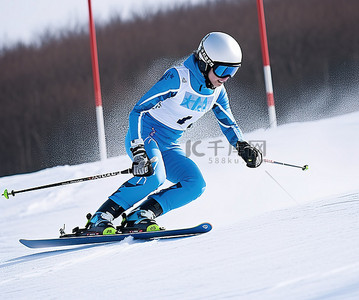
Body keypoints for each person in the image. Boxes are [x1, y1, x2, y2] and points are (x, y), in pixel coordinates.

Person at [83, 32, 262, 235]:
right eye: (222, 70)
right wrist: (139, 149)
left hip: (169, 145)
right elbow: (137, 111)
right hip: (145, 136)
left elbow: (228, 124)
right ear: (205, 62)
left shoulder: (217, 92)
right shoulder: (178, 78)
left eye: (233, 72)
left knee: (195, 184)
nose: (226, 78)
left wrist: (243, 146)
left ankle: (140, 215)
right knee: (154, 177)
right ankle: (101, 217)